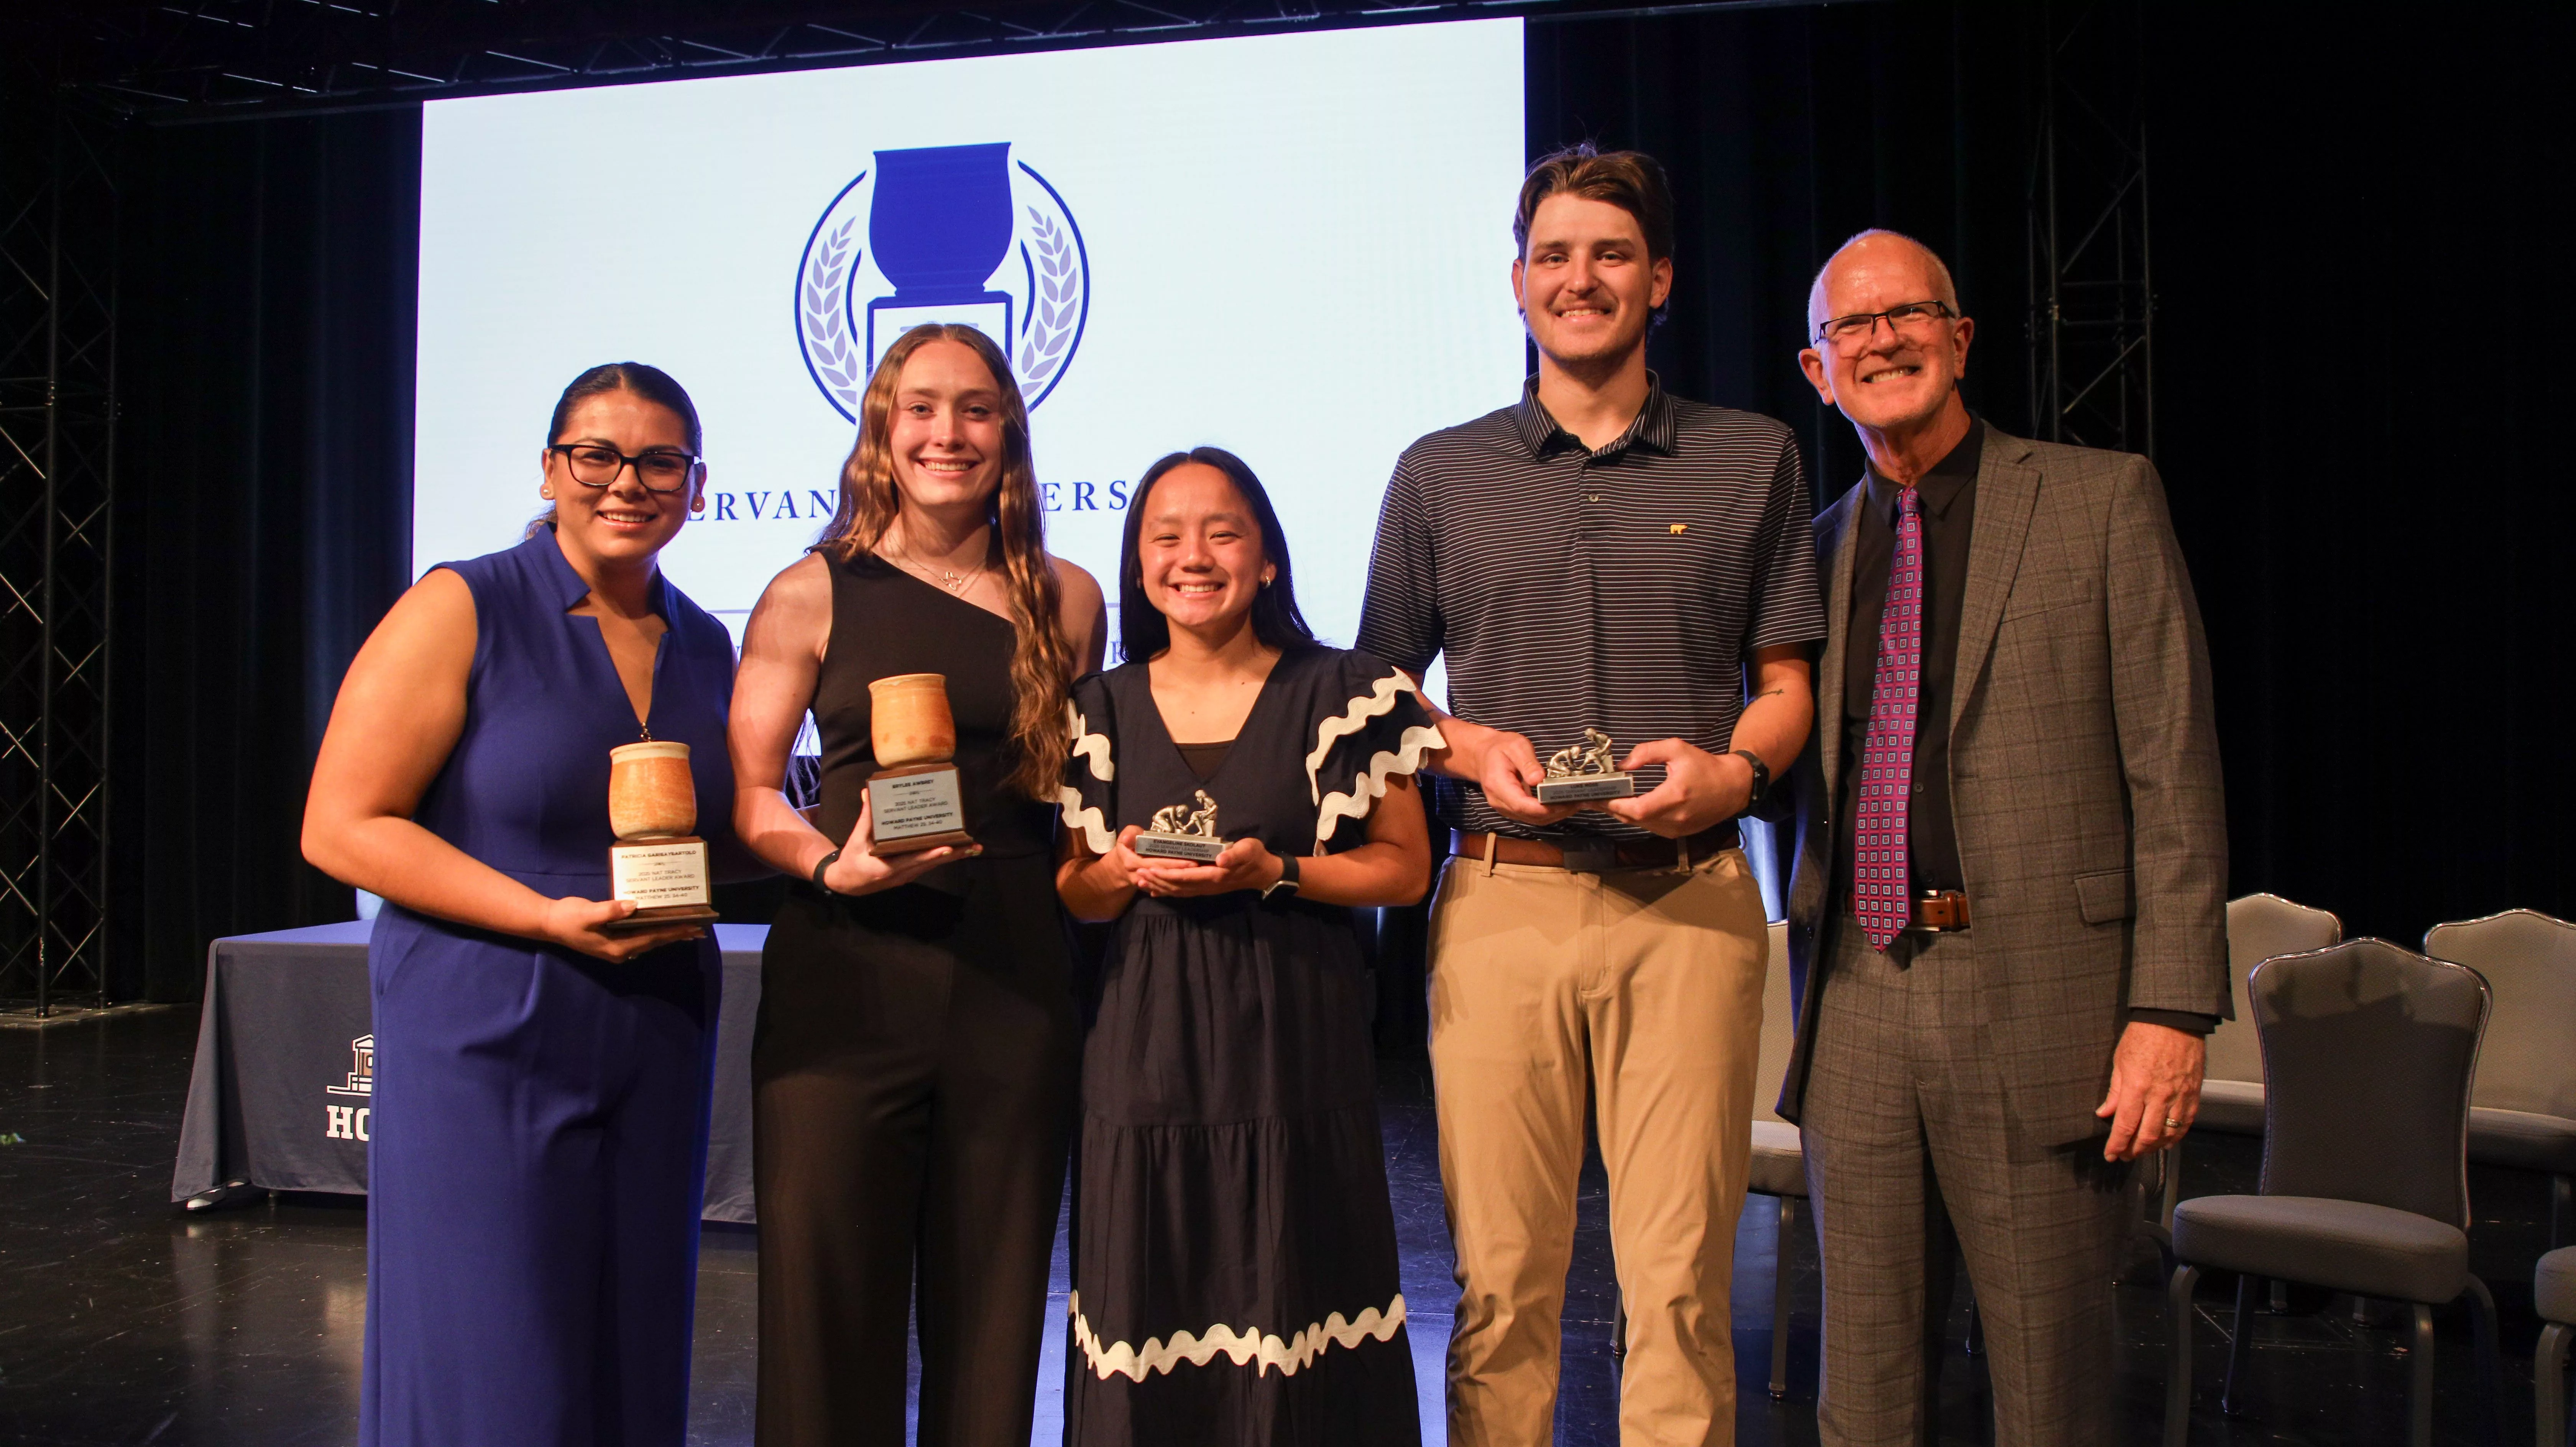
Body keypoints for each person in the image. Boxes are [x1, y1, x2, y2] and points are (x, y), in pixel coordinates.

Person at [1354, 145, 1822, 1446]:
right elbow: (1381, 688)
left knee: (1679, 1295)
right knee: (1503, 1292)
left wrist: (1735, 770)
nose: (1581, 279)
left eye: (1612, 254)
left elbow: (1786, 681)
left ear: (1659, 280)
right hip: (1505, 900)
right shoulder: (1440, 473)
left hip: (1695, 908)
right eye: (1554, 256)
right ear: (1517, 284)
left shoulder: (1753, 457)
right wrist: (1463, 747)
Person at [1775, 229, 2228, 1446]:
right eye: (1850, 329)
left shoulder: (2100, 499)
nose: (1883, 342)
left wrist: (2172, 1011)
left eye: (1908, 313)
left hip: (2047, 1005)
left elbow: (2174, 772)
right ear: (1818, 373)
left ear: (1959, 336)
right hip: (1860, 995)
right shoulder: (1811, 555)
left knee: (2049, 1392)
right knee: (1863, 1398)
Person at [302, 362, 738, 1447]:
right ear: (551, 469)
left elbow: (720, 833)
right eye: (597, 455)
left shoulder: (706, 642)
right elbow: (342, 827)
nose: (627, 482)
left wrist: (848, 851)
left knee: (631, 1353)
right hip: (486, 1024)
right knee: (497, 1357)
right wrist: (541, 918)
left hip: (654, 1027)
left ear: (696, 486)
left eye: (660, 462)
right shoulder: (464, 603)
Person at [727, 323, 1107, 1447]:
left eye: (977, 409)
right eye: (925, 408)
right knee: (824, 1313)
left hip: (1016, 979)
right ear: (883, 430)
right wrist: (826, 863)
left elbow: (1078, 788)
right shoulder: (809, 590)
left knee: (993, 1323)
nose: (951, 433)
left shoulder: (1070, 597)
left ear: (1011, 431)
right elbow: (750, 797)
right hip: (844, 980)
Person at [1056, 447, 1436, 1444]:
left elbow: (1405, 869)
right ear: (1140, 565)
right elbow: (1078, 894)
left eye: (1222, 532)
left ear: (1267, 558)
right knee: (1150, 1314)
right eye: (1166, 536)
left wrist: (1279, 874)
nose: (1194, 555)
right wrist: (1121, 871)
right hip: (1144, 1064)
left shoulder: (1347, 691)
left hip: (1293, 1057)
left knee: (1299, 1312)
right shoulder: (1096, 709)